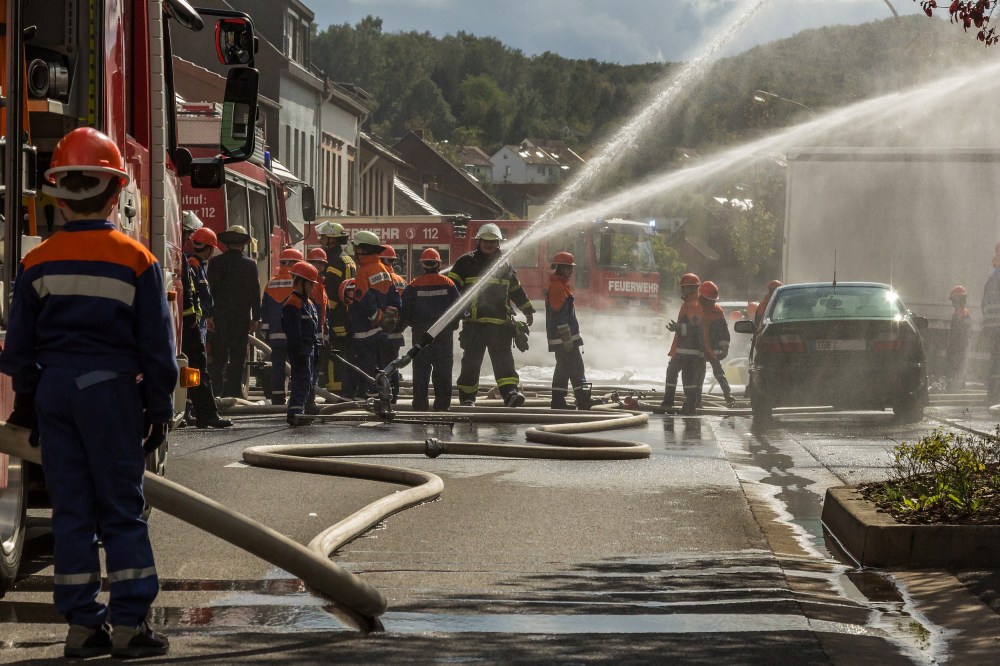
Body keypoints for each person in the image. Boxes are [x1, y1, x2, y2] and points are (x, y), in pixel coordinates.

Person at [0, 127, 175, 658]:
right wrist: (159, 410)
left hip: (55, 394)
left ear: (57, 193)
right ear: (116, 191)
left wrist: (29, 404)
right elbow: (158, 353)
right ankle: (129, 626)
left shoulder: (37, 263)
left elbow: (18, 351)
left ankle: (81, 628)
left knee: (72, 510)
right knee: (121, 509)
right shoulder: (137, 260)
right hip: (111, 395)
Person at [448, 223, 535, 407]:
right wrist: (450, 315)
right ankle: (468, 398)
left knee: (504, 363)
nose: (488, 244)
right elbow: (451, 289)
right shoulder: (465, 263)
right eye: (485, 241)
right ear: (478, 241)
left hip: (500, 325)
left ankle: (510, 394)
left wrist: (527, 309)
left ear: (498, 243)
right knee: (471, 364)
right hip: (474, 324)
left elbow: (515, 290)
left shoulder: (503, 265)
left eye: (493, 241)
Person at [400, 248, 460, 411]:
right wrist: (452, 326)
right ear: (439, 264)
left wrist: (409, 324)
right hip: (443, 334)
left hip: (420, 335)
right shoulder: (448, 283)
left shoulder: (414, 284)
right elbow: (458, 308)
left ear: (422, 265)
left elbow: (405, 310)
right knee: (443, 371)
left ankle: (420, 406)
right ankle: (442, 406)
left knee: (420, 372)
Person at [185, 227, 232, 428]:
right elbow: (193, 296)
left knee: (192, 370)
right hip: (195, 325)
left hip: (199, 322)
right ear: (211, 248)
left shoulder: (196, 266)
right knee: (198, 369)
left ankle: (190, 412)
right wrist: (196, 320)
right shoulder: (193, 266)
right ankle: (205, 414)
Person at [206, 225, 260, 399]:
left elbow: (210, 290)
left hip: (220, 316)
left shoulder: (215, 263)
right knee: (238, 356)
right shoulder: (250, 265)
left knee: (219, 356)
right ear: (243, 245)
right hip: (241, 317)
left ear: (226, 244)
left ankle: (216, 392)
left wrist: (209, 315)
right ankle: (234, 392)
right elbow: (255, 293)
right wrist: (256, 318)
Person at [351, 231, 402, 396]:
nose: (354, 251)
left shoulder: (363, 272)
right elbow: (394, 298)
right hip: (382, 330)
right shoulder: (384, 269)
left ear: (363, 249)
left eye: (356, 248)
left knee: (367, 364)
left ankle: (372, 395)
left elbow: (363, 299)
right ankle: (385, 394)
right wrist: (387, 320)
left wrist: (376, 318)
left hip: (366, 328)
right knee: (382, 364)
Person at [546, 251, 591, 410]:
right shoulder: (558, 288)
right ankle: (584, 400)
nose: (572, 271)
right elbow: (560, 318)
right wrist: (567, 340)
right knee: (577, 369)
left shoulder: (560, 285)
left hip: (564, 340)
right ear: (561, 268)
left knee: (562, 370)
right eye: (569, 268)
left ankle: (558, 401)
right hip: (565, 341)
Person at [315, 221, 355, 394]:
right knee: (343, 352)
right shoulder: (348, 259)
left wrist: (322, 315)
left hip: (335, 316)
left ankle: (333, 390)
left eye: (324, 237)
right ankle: (345, 387)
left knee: (332, 353)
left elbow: (331, 292)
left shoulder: (333, 261)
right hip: (347, 315)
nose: (321, 240)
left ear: (332, 239)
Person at [260, 248, 303, 404]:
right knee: (297, 366)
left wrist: (266, 330)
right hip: (295, 333)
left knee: (278, 366)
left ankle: (277, 396)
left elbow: (264, 309)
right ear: (294, 263)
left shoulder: (271, 283)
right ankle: (296, 397)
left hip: (276, 334)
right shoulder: (299, 283)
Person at [281, 261, 320, 425]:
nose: (312, 288)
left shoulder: (308, 304)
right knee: (301, 380)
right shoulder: (292, 303)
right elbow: (293, 331)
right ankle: (295, 413)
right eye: (310, 284)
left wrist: (315, 348)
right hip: (300, 349)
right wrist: (300, 350)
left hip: (309, 348)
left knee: (307, 381)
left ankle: (300, 410)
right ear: (301, 282)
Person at [661, 273, 704, 414]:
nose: (682, 290)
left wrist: (679, 328)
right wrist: (677, 328)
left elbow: (696, 328)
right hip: (682, 350)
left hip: (689, 351)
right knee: (673, 373)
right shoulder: (687, 303)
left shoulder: (694, 305)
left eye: (683, 287)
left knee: (688, 378)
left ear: (690, 288)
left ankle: (689, 405)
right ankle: (669, 401)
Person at [698, 281, 736, 407]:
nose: (713, 303)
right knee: (699, 373)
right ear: (703, 298)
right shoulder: (695, 308)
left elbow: (723, 330)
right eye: (710, 300)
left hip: (712, 348)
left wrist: (724, 346)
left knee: (718, 371)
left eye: (714, 300)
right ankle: (697, 399)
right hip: (699, 348)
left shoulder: (717, 310)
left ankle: (728, 395)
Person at [379, 245, 408, 402]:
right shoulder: (401, 281)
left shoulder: (381, 279)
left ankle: (382, 394)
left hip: (382, 331)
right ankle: (394, 394)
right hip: (397, 332)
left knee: (381, 364)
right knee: (393, 364)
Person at [306, 247, 330, 411]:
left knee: (314, 372)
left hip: (318, 335)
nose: (319, 266)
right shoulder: (311, 285)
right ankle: (307, 402)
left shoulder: (321, 285)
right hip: (310, 335)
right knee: (308, 371)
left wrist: (325, 334)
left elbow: (324, 313)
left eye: (321, 264)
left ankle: (309, 401)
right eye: (315, 263)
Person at [983, 244, 1000, 403]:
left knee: (995, 359)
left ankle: (992, 394)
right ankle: (996, 395)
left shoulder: (992, 275)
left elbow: (984, 303)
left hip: (991, 325)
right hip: (998, 325)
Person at [947, 285, 971, 392]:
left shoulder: (962, 313)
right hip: (959, 344)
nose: (952, 302)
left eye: (953, 299)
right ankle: (958, 383)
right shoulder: (961, 312)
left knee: (957, 363)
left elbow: (960, 331)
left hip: (958, 345)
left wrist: (953, 344)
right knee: (959, 363)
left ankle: (957, 384)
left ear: (958, 299)